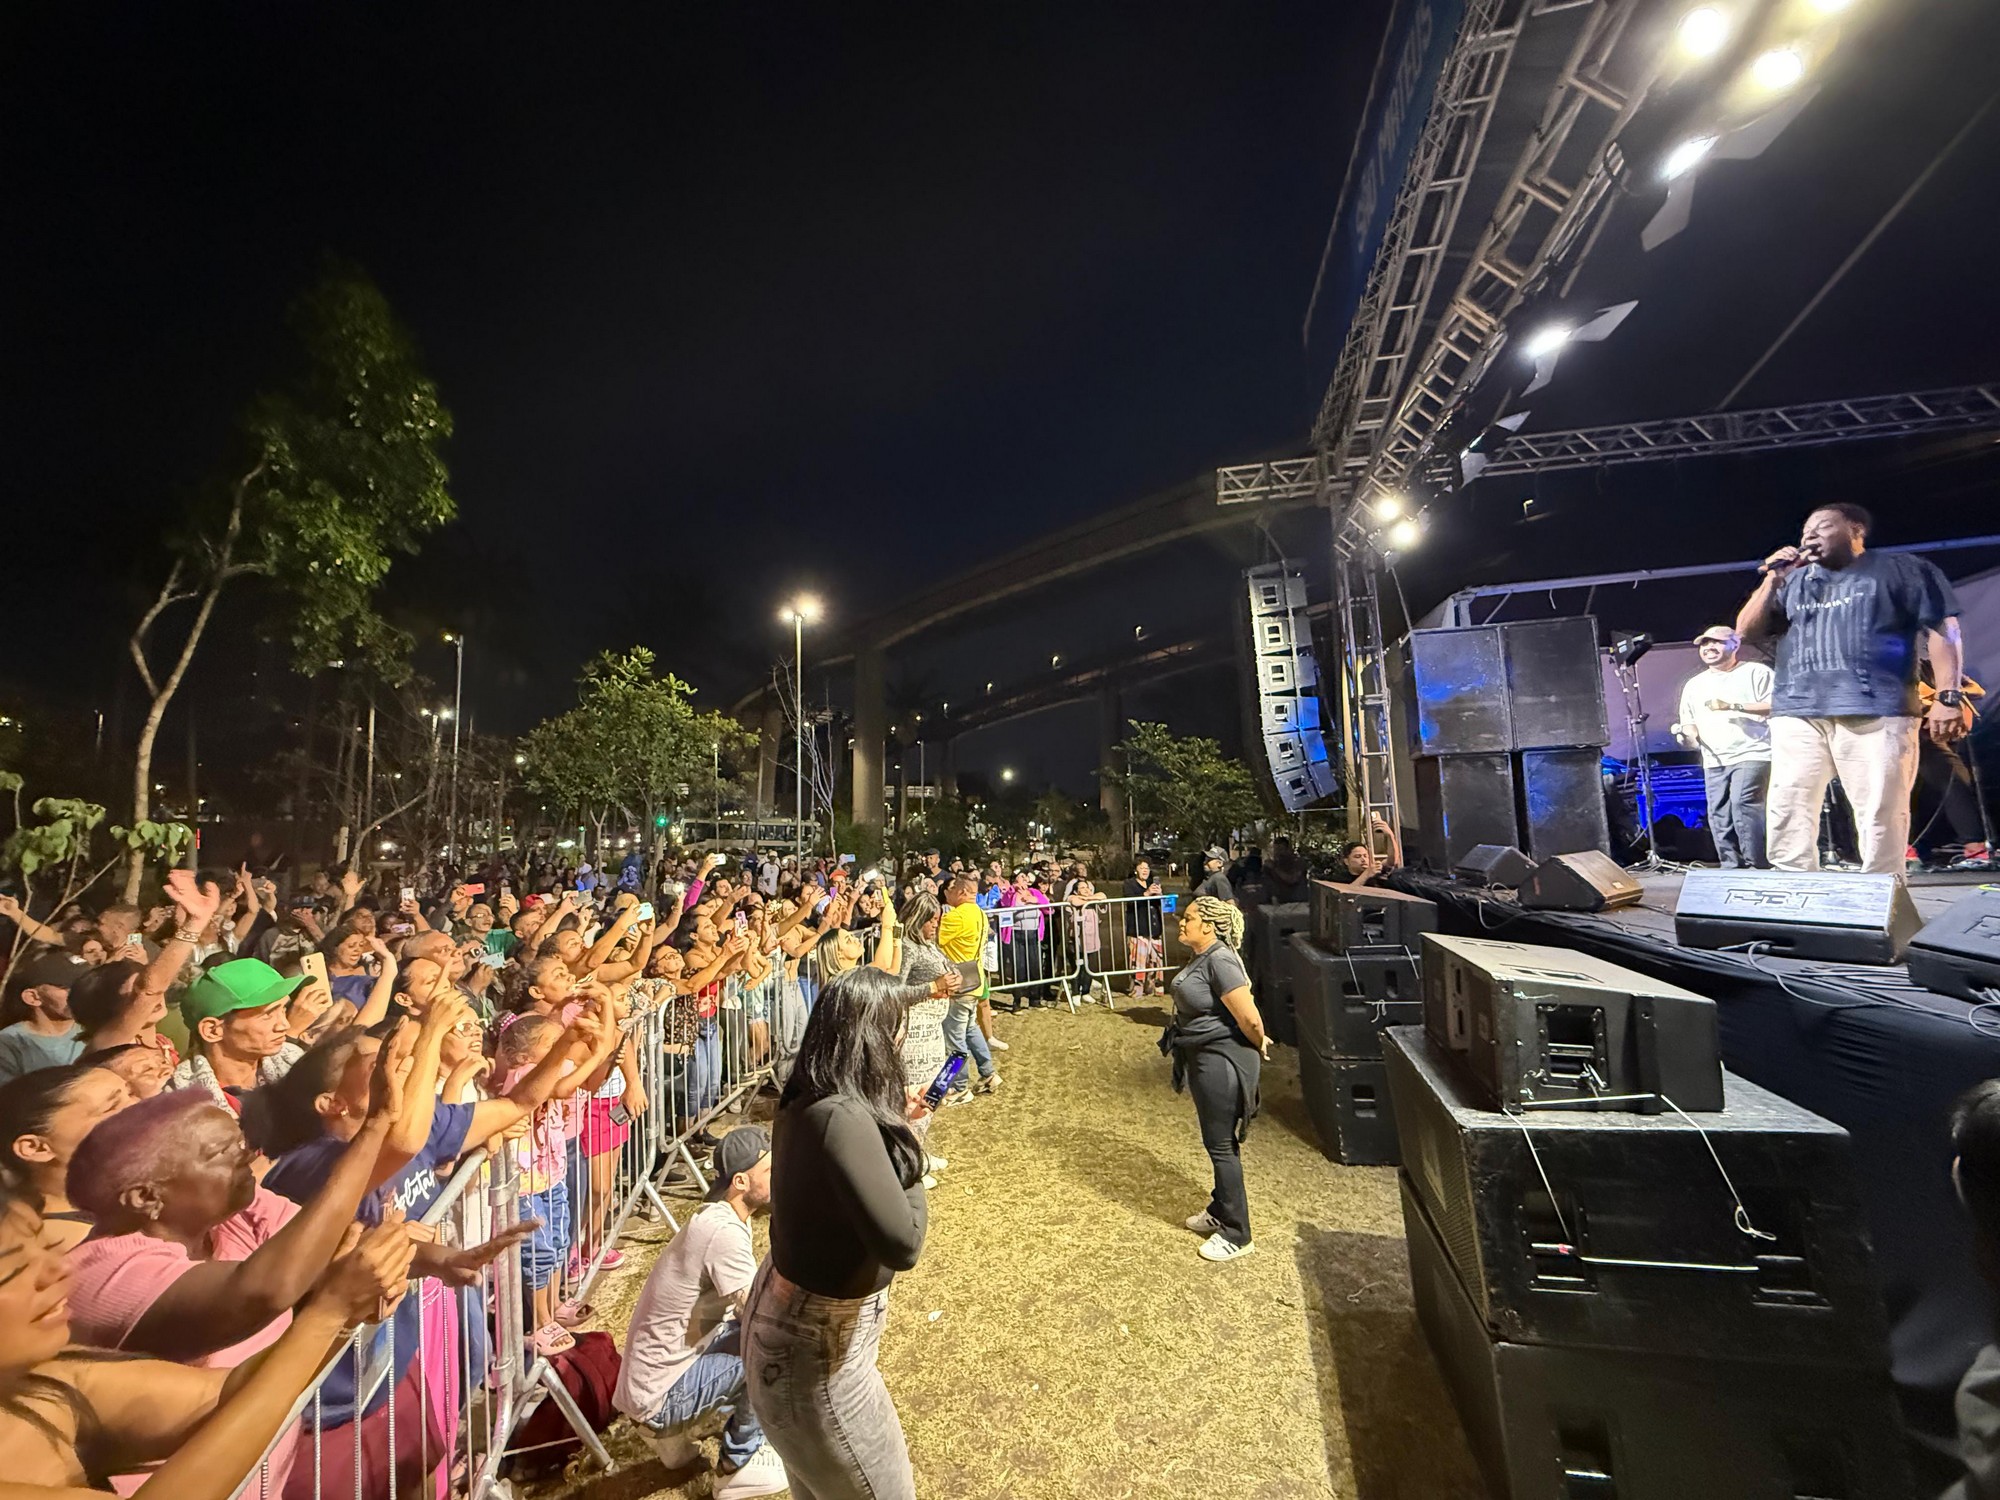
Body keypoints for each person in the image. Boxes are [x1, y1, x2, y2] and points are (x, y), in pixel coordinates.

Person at [0, 1174, 414, 1500]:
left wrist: (342, 1316)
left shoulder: (46, 1381)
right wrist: (326, 1315)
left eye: (45, 1246)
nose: (58, 1271)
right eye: (16, 1269)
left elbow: (228, 1396)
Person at [744, 966, 930, 1500]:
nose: (901, 1040)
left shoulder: (810, 1095)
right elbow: (904, 1241)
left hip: (794, 1332)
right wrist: (907, 1143)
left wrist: (888, 1124)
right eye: (898, 1026)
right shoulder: (840, 1115)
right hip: (816, 1354)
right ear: (875, 1034)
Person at [1737, 502, 1968, 875]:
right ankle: (1795, 897)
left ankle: (1881, 899)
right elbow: (1745, 633)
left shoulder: (1903, 569)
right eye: (1805, 530)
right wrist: (1772, 580)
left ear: (1856, 531)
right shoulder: (1794, 580)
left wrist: (1948, 696)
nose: (1809, 535)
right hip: (1798, 710)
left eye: (1823, 526)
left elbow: (1944, 630)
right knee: (1787, 807)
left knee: (1879, 810)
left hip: (1877, 708)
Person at [616, 1127, 788, 1498]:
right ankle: (735, 1467)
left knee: (737, 1330)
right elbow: (759, 1316)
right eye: (770, 1171)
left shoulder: (715, 1218)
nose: (781, 1176)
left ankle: (671, 1438)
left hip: (648, 1385)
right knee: (770, 1349)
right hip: (658, 1398)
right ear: (741, 1181)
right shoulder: (722, 1233)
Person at [1159, 894, 1267, 1263]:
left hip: (1222, 1062)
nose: (1181, 923)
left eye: (1188, 917)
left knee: (1221, 1147)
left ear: (1208, 924)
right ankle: (1220, 1209)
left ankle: (1238, 1234)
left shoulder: (1220, 959)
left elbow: (1250, 1019)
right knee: (1215, 1141)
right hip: (1205, 1057)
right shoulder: (1205, 957)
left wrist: (1259, 1043)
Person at [0, 1062, 137, 1252]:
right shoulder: (70, 1242)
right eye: (112, 1106)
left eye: (130, 1094)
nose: (140, 1105)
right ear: (37, 1148)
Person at [1670, 626, 1776, 869]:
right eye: (1704, 644)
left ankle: (1757, 864)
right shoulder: (1694, 685)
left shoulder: (1756, 672)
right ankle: (1730, 866)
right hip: (1714, 758)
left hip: (1753, 752)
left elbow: (1775, 704)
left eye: (1716, 642)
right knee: (1719, 812)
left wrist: (1733, 706)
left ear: (1734, 644)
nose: (1709, 648)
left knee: (1743, 804)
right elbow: (1690, 724)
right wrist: (1686, 737)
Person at [166, 960, 307, 1107]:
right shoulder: (181, 1106)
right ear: (212, 1030)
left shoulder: (299, 1066)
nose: (284, 1025)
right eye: (268, 1015)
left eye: (283, 1009)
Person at [937, 877, 998, 1097]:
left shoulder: (957, 916)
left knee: (955, 1039)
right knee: (971, 1030)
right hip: (975, 980)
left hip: (959, 984)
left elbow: (936, 939)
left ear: (961, 892)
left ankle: (959, 1086)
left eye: (950, 889)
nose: (946, 893)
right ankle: (988, 1072)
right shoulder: (980, 913)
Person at [0, 952, 89, 1086]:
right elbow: (13, 1102)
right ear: (33, 998)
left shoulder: (97, 1029)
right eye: (68, 988)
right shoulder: (9, 1044)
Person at [1122, 860, 1166, 999]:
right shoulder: (1129, 884)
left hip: (1154, 927)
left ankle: (1155, 986)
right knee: (1138, 960)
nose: (1145, 871)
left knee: (1156, 959)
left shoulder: (1153, 883)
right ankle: (1137, 988)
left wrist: (1160, 895)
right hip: (1138, 927)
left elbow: (1162, 905)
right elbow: (1129, 900)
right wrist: (1146, 894)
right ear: (1136, 870)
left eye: (1147, 868)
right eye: (1142, 868)